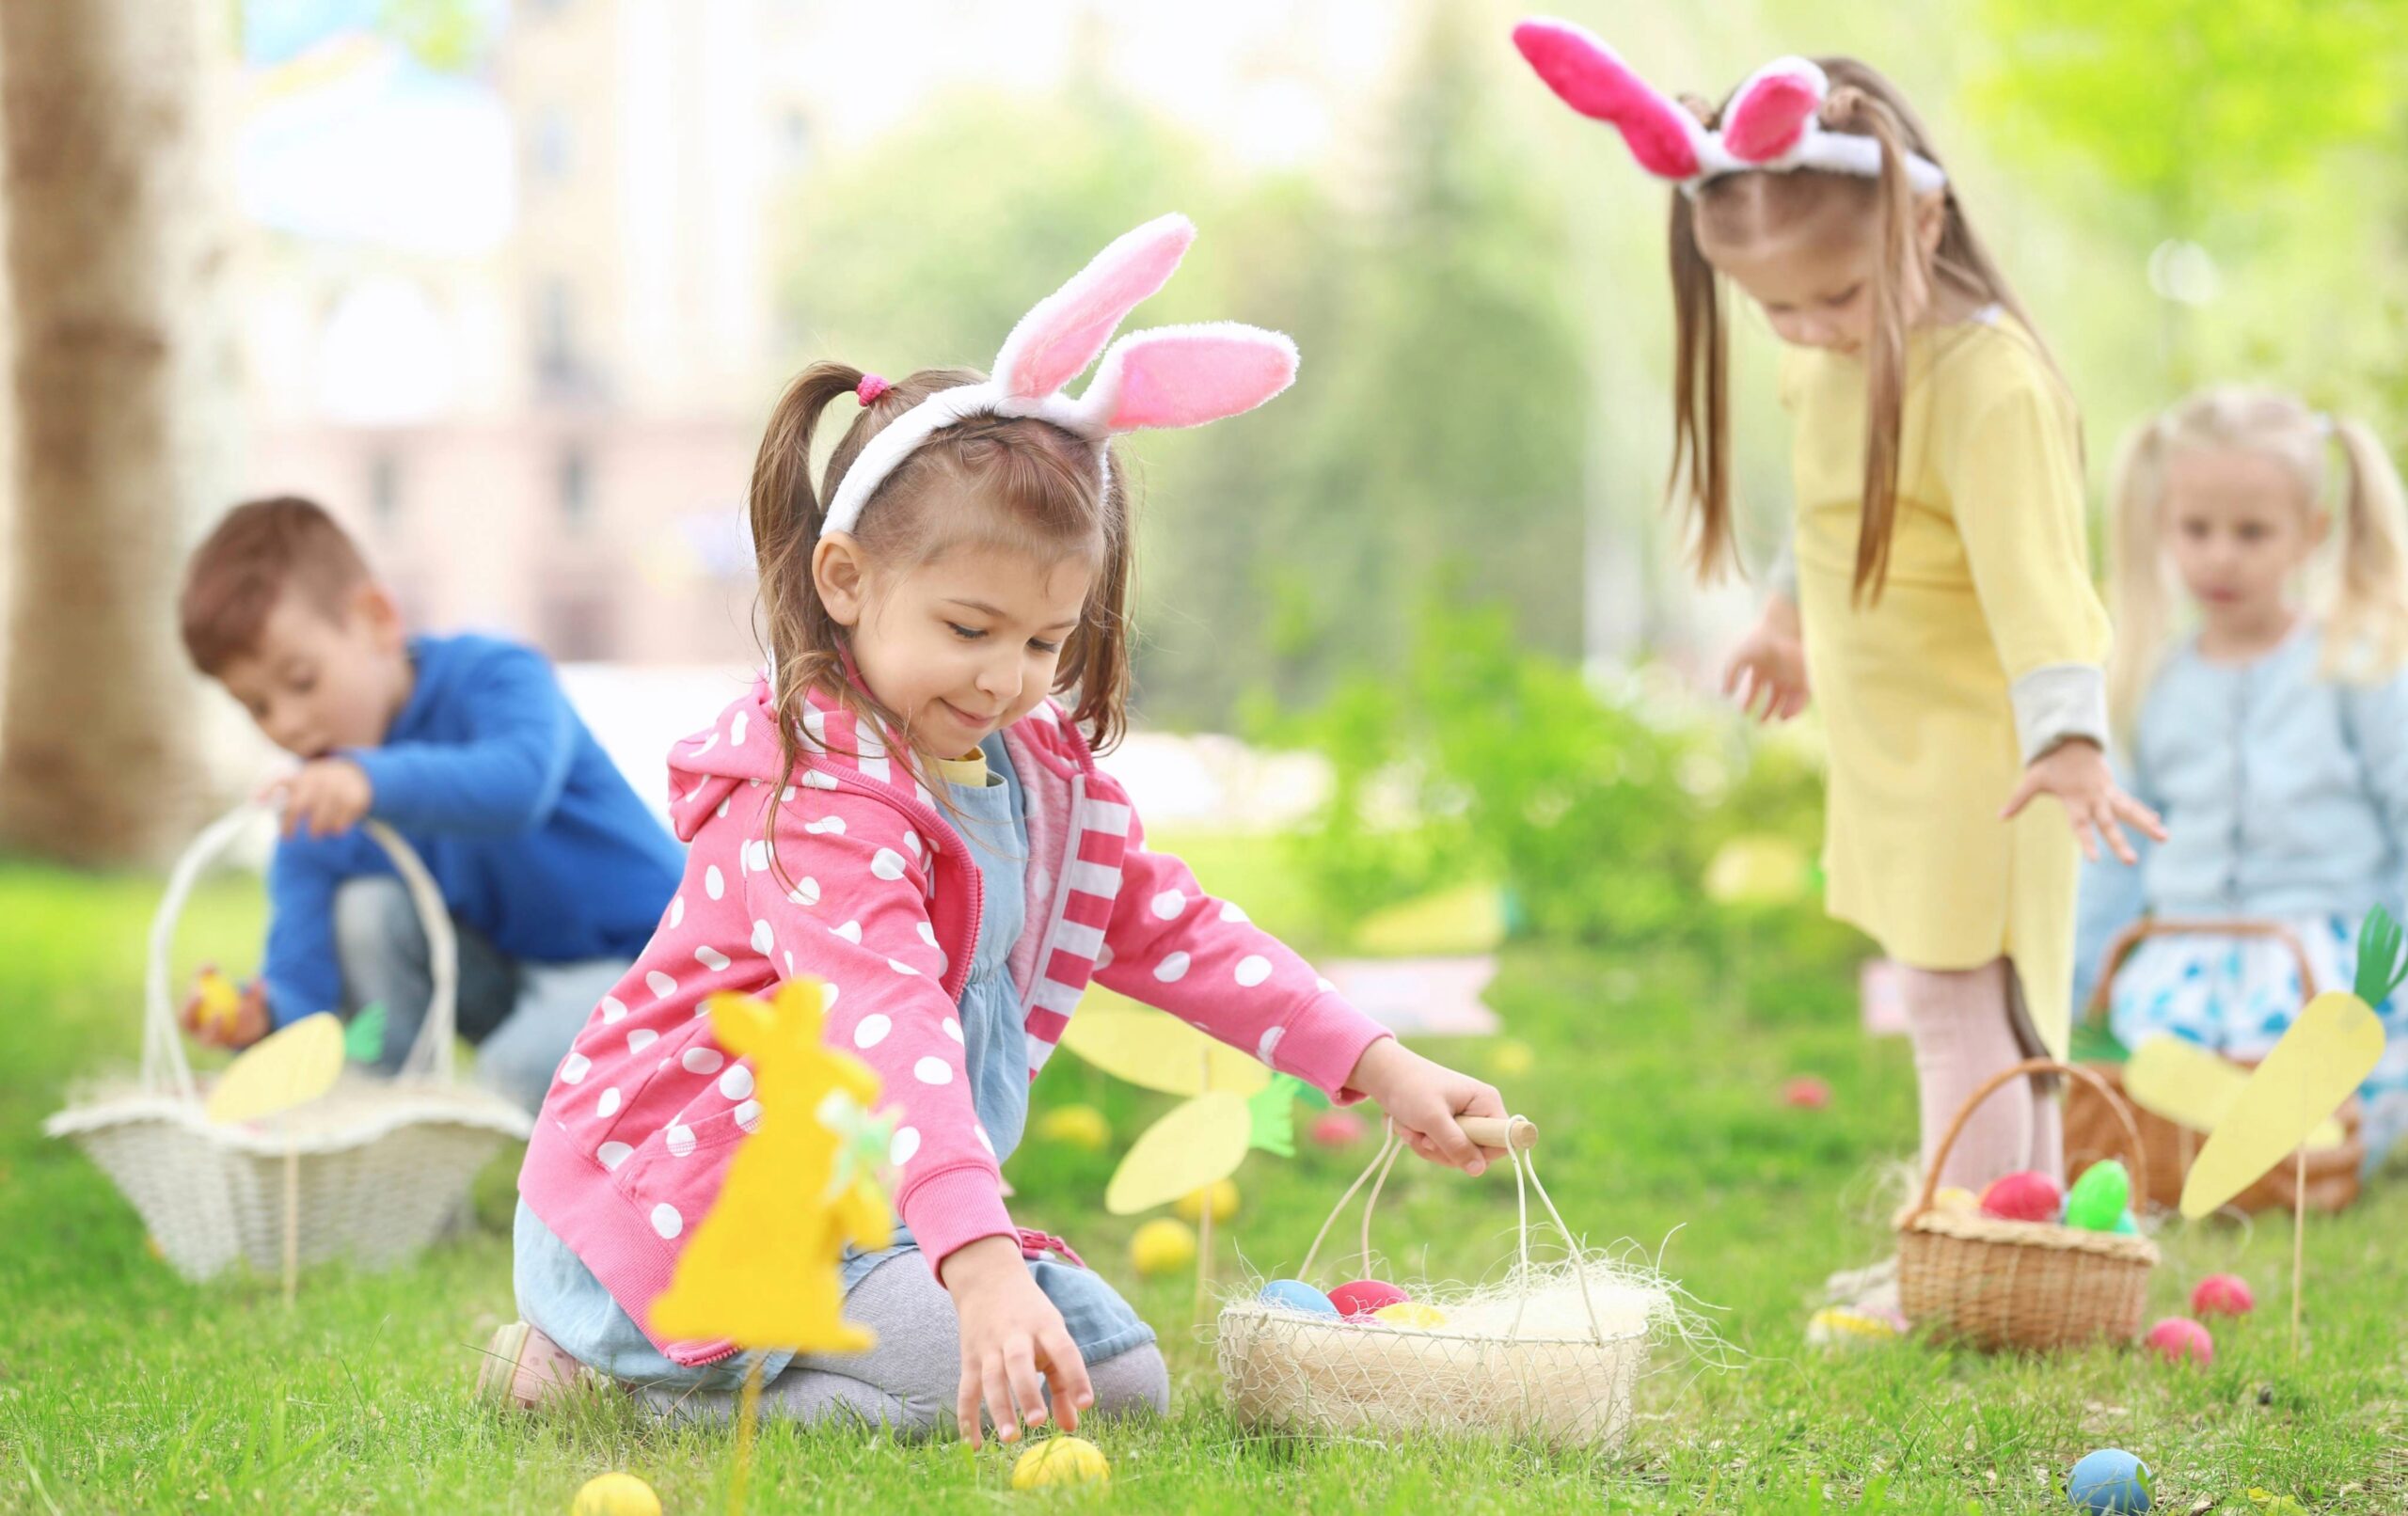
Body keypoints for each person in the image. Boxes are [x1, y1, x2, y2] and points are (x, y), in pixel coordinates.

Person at [485, 215, 1508, 1442]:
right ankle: (588, 1374)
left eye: (1043, 641)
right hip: (687, 1208)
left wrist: (1380, 1067)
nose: (1004, 679)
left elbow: (1179, 932)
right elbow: (885, 1026)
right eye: (969, 630)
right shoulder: (812, 803)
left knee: (1117, 1386)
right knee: (961, 1390)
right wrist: (979, 1269)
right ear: (848, 580)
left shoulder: (1031, 775)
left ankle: (914, 1304)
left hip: (875, 1200)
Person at [1513, 24, 2162, 1208]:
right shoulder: (1830, 357)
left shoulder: (1984, 380)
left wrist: (2067, 733)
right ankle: (2004, 1244)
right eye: (1774, 310)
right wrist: (1782, 622)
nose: (1810, 330)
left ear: (1921, 221)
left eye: (1834, 297)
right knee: (1962, 1003)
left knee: (1965, 1005)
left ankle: (1964, 1245)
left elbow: (2039, 577)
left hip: (1988, 750)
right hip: (1896, 749)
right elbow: (1826, 512)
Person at [176, 496, 684, 1110]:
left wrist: (370, 781)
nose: (284, 723)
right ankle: (389, 1128)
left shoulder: (495, 676)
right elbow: (306, 989)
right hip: (512, 980)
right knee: (365, 912)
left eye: (301, 681)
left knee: (512, 1072)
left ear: (376, 620)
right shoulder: (318, 811)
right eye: (256, 705)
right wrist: (264, 1017)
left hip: (655, 963)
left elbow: (519, 783)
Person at [2076, 387, 2408, 1170]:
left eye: (2252, 533)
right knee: (2153, 1064)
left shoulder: (2355, 663)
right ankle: (2217, 1141)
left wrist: (2385, 968)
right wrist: (2078, 989)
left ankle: (2309, 1142)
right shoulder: (2147, 680)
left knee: (2309, 1064)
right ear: (2164, 525)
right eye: (2197, 529)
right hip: (2185, 959)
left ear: (2310, 534)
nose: (2220, 555)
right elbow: (2118, 847)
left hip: (2318, 960)